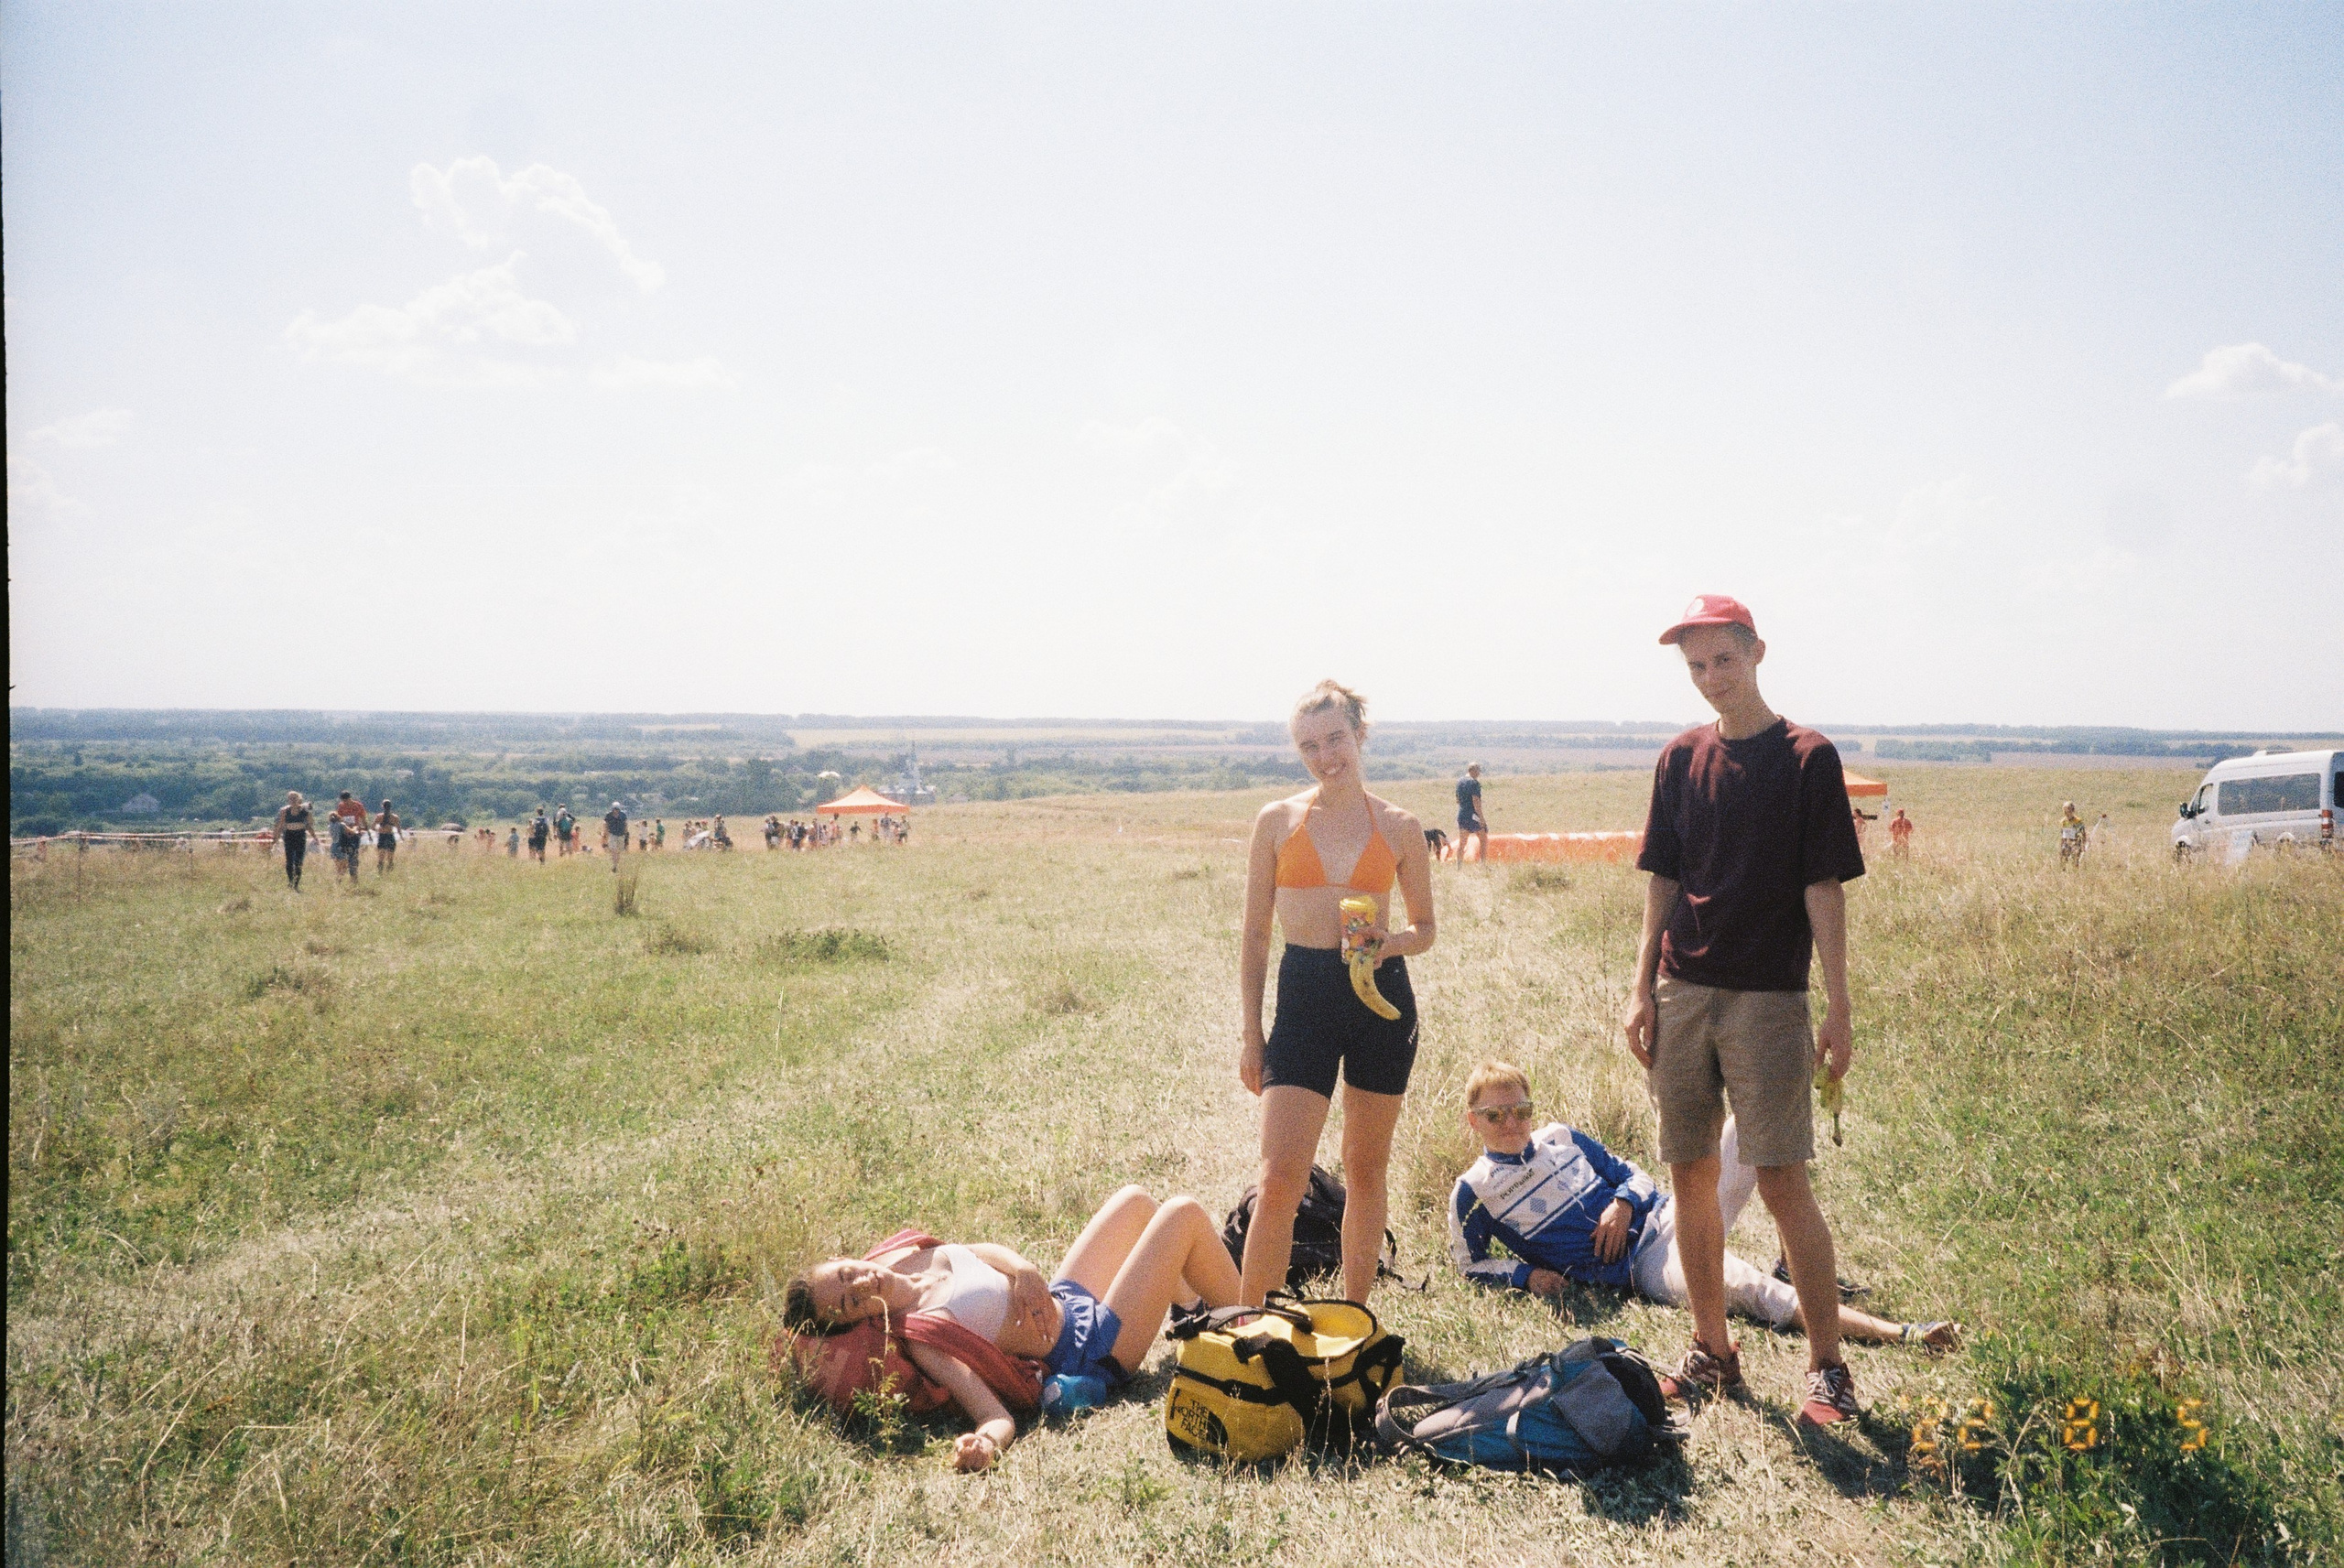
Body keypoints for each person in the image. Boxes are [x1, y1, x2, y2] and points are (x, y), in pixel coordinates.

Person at [1622, 594, 1869, 1426]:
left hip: (1768, 997)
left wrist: (1837, 1003)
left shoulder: (1808, 758)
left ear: (1757, 651)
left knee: (1780, 1179)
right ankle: (1710, 1349)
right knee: (1689, 1172)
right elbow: (1662, 876)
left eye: (1723, 659)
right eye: (1695, 666)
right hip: (1680, 989)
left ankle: (1828, 1368)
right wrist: (1639, 987)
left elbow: (1823, 886)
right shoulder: (1679, 758)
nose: (1710, 678)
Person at [1449, 1061, 1957, 1353]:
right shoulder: (1474, 1188)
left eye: (1520, 1110)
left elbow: (1636, 1175)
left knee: (1747, 1127)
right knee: (1753, 1292)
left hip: (1676, 1214)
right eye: (1495, 1115)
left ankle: (1791, 1253)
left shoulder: (1560, 1136)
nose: (1512, 1123)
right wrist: (1526, 1277)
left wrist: (1624, 1203)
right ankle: (1906, 1335)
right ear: (1474, 1122)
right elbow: (1468, 1264)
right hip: (1645, 1265)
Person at [785, 1186, 1241, 1472]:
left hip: (1063, 1297)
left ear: (846, 1258)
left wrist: (1022, 1269)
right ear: (858, 1321)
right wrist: (982, 1445)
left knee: (1137, 1202)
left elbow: (978, 1252)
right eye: (850, 1303)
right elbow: (994, 1415)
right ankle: (1260, 1322)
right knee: (1180, 1214)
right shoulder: (925, 1336)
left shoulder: (903, 1255)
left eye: (847, 1273)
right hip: (1090, 1347)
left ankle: (1196, 1308)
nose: (862, 1284)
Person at [1238, 679, 1436, 1306]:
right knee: (1277, 1181)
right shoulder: (1277, 822)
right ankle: (1249, 1332)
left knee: (1365, 1167)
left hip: (1379, 998)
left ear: (1360, 735)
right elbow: (1254, 934)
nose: (1326, 756)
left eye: (1336, 739)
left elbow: (1425, 929)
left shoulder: (1401, 827)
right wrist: (1252, 1032)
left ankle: (1354, 1317)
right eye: (1309, 746)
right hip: (1303, 998)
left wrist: (1389, 941)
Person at [274, 791, 314, 890]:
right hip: (289, 836)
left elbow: (310, 823)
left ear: (298, 799)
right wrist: (276, 837)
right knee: (289, 860)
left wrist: (309, 813)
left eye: (294, 798)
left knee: (299, 861)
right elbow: (281, 824)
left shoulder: (304, 811)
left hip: (300, 835)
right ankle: (290, 882)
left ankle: (296, 884)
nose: (292, 800)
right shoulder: (285, 811)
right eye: (290, 798)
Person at [1453, 763, 1490, 863]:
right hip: (1473, 815)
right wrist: (1482, 819)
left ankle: (1459, 866)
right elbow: (1476, 802)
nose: (1479, 773)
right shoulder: (1474, 783)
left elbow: (1457, 800)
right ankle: (1483, 864)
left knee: (1462, 842)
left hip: (1462, 814)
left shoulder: (1459, 782)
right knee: (1483, 837)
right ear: (1473, 770)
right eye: (1478, 770)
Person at [374, 799, 400, 873]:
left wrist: (379, 828)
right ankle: (389, 873)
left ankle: (380, 873)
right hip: (390, 836)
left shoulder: (379, 816)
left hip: (382, 837)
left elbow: (373, 827)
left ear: (382, 806)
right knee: (390, 858)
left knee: (381, 858)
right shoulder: (395, 817)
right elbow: (398, 829)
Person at [2058, 802, 2087, 870]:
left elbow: (2083, 833)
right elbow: (2062, 834)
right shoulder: (2063, 821)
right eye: (2065, 812)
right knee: (2063, 857)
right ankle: (2063, 871)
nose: (2067, 814)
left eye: (2069, 811)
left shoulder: (2078, 821)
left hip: (2076, 843)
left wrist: (2083, 844)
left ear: (2072, 811)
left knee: (2075, 860)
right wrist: (2061, 844)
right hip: (2066, 843)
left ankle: (2075, 872)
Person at [604, 800, 629, 872]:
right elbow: (606, 824)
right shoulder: (608, 815)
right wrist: (606, 833)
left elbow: (625, 824)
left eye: (617, 809)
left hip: (621, 835)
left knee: (618, 851)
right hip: (612, 834)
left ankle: (616, 865)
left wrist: (626, 833)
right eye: (614, 809)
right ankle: (614, 865)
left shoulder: (623, 815)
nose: (615, 811)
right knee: (613, 849)